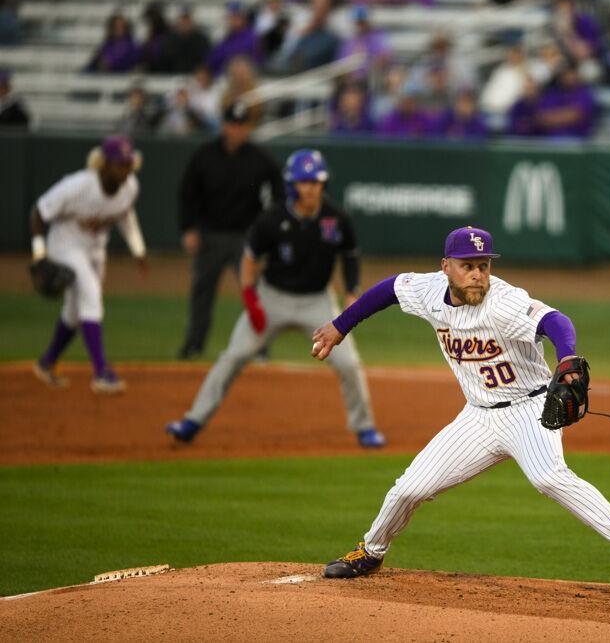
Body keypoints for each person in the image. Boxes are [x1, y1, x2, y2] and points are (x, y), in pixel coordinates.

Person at [312, 226, 610, 584]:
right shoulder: (428, 290)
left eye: (483, 265)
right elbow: (389, 289)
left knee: (548, 477)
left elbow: (556, 321)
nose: (477, 274)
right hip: (477, 418)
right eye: (467, 265)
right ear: (445, 267)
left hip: (528, 411)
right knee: (408, 489)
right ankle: (370, 553)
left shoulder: (504, 302)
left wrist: (566, 359)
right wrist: (340, 326)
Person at [166, 149, 384, 448]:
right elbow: (249, 259)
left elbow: (350, 257)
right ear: (292, 185)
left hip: (317, 302)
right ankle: (192, 421)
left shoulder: (336, 218)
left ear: (323, 183)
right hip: (273, 298)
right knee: (234, 356)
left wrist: (351, 292)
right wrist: (250, 298)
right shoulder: (272, 218)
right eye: (303, 182)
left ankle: (364, 427)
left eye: (314, 181)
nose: (309, 188)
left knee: (348, 364)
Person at [30, 135, 147, 394]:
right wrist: (39, 254)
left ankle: (46, 363)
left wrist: (138, 250)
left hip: (95, 250)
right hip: (65, 246)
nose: (125, 169)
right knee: (91, 296)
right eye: (119, 164)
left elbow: (125, 215)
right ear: (103, 164)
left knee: (75, 312)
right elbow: (38, 212)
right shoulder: (78, 185)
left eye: (128, 164)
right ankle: (102, 372)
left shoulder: (130, 187)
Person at [176, 101, 284, 360]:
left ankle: (261, 348)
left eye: (241, 125)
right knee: (202, 293)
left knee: (254, 294)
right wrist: (188, 228)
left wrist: (267, 230)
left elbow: (280, 191)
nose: (236, 130)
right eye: (232, 124)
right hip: (210, 235)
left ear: (247, 128)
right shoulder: (205, 154)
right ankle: (194, 345)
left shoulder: (259, 157)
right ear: (224, 125)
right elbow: (187, 193)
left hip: (247, 238)